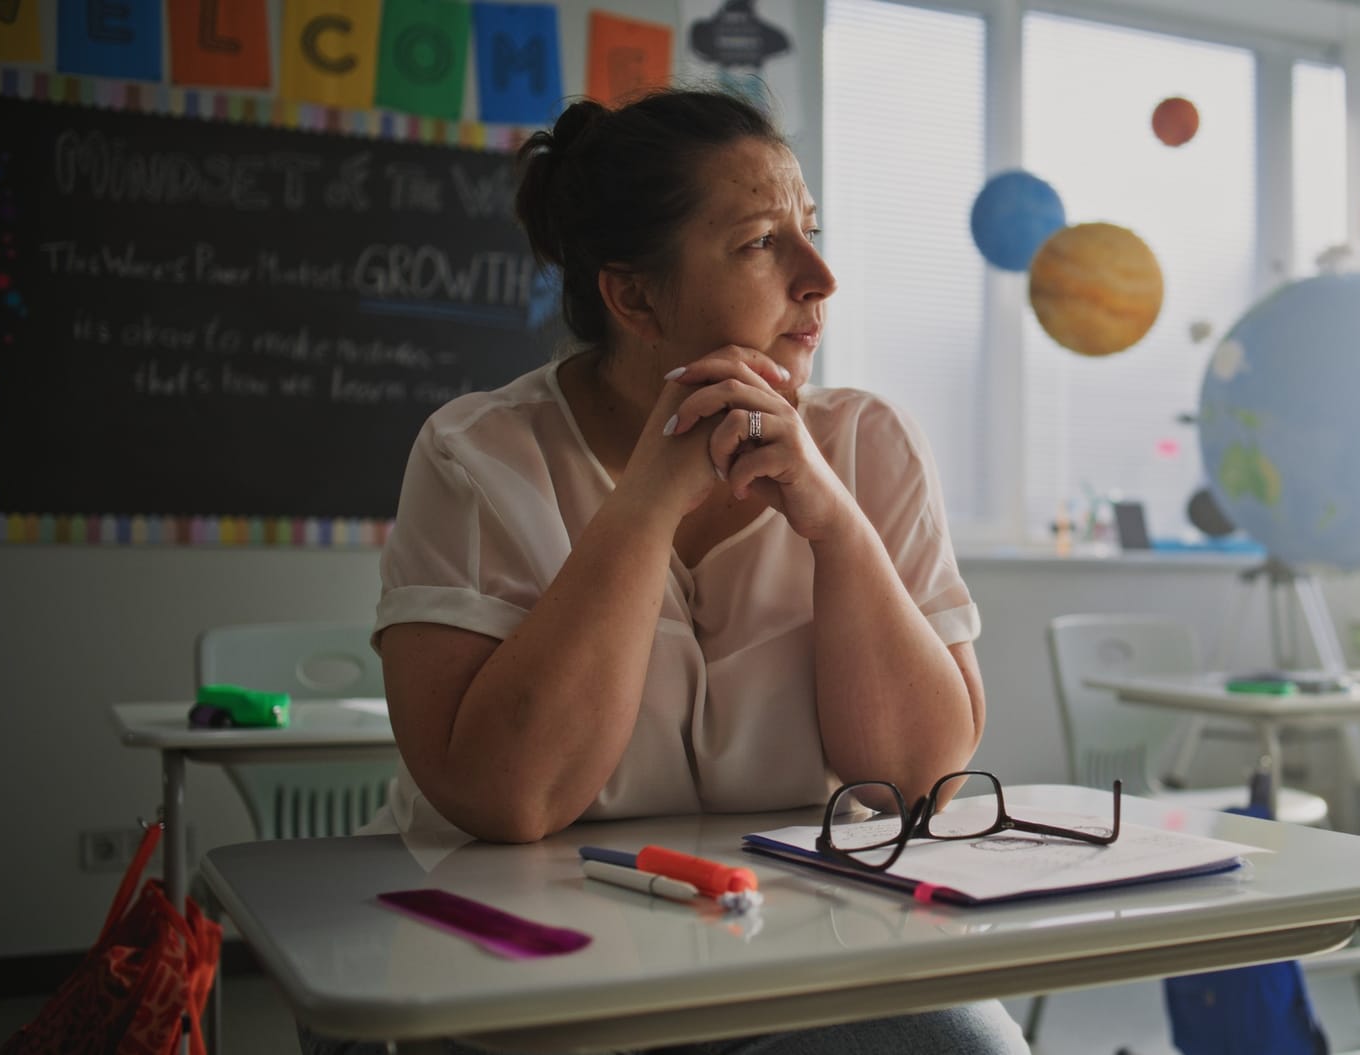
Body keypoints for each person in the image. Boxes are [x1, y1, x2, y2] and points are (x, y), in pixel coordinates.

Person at [319, 87, 1024, 1055]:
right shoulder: (473, 455)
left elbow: (916, 782)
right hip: (509, 968)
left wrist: (834, 524)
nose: (819, 277)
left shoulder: (868, 443)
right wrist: (647, 502)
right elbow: (506, 797)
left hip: (788, 958)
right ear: (632, 295)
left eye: (808, 232)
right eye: (759, 243)